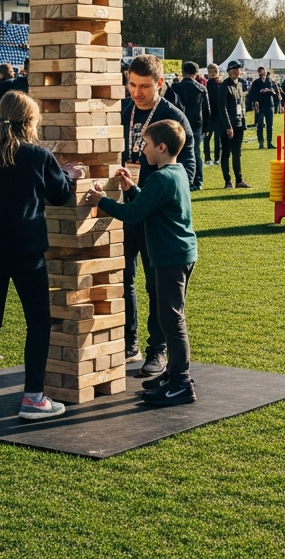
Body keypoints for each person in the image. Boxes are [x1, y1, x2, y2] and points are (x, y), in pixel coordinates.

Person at [0, 90, 81, 421]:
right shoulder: (36, 155)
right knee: (38, 321)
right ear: (30, 121)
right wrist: (68, 176)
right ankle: (33, 398)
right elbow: (60, 196)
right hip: (25, 251)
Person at [85, 119, 198, 406]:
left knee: (172, 321)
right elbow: (148, 203)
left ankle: (181, 382)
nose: (142, 149)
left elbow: (135, 214)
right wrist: (131, 186)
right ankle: (173, 374)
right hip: (181, 254)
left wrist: (101, 201)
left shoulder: (161, 177)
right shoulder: (176, 172)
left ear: (161, 147)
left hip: (170, 257)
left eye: (146, 144)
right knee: (168, 318)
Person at [120, 53, 195, 375]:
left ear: (160, 84)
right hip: (127, 210)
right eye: (132, 85)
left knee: (156, 286)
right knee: (123, 280)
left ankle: (157, 350)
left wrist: (155, 191)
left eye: (145, 87)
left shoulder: (172, 117)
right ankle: (128, 342)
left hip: (156, 219)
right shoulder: (123, 111)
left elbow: (190, 170)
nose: (137, 92)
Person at [171, 62, 211, 191]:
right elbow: (207, 110)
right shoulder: (201, 88)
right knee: (195, 152)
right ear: (196, 73)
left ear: (183, 72)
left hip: (179, 123)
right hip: (196, 124)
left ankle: (182, 179)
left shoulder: (175, 87)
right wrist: (207, 127)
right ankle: (197, 180)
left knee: (178, 152)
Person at [215, 61, 250, 189]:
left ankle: (239, 180)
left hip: (239, 123)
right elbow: (222, 108)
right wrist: (228, 126)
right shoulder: (223, 86)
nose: (236, 72)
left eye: (238, 70)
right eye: (234, 70)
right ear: (229, 71)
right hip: (226, 125)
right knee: (226, 153)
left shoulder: (240, 85)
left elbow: (242, 104)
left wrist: (243, 122)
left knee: (237, 153)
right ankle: (227, 181)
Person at [247, 66, 279, 148]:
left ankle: (269, 143)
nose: (261, 73)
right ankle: (261, 143)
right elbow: (252, 94)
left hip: (269, 104)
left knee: (270, 125)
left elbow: (275, 92)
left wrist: (269, 91)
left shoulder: (270, 81)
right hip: (260, 105)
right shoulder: (256, 83)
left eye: (262, 71)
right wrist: (256, 100)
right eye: (260, 72)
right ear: (258, 73)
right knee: (260, 125)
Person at [203, 63, 222, 166]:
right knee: (216, 138)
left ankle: (207, 157)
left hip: (209, 114)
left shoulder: (206, 85)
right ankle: (216, 158)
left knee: (207, 137)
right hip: (217, 114)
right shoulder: (220, 84)